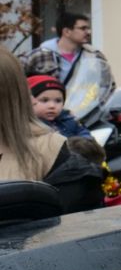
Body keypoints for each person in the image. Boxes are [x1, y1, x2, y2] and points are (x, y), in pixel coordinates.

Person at [0, 54, 102, 212]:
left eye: (57, 100)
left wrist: (84, 145)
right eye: (44, 100)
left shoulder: (51, 151)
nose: (51, 106)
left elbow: (69, 228)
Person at [22, 11, 116, 123]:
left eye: (88, 28)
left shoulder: (95, 56)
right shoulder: (38, 55)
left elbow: (108, 87)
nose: (88, 32)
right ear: (66, 31)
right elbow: (18, 84)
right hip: (44, 119)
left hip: (84, 119)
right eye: (83, 28)